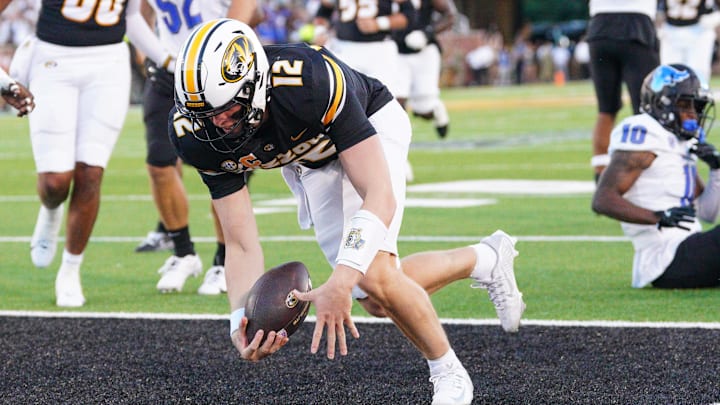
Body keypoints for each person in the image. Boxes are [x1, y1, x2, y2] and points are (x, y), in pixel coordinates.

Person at [170, 19, 525, 404]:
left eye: (227, 110)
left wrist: (341, 279)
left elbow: (379, 194)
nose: (217, 124)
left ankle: (449, 373)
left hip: (369, 126)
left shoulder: (307, 83)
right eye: (205, 114)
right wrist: (240, 321)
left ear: (255, 85)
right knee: (375, 298)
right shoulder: (196, 136)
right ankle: (486, 258)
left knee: (370, 275)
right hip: (310, 161)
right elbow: (239, 243)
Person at [1, 0, 176, 307]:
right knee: (55, 183)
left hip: (108, 65)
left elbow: (131, 16)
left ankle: (71, 269)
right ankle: (52, 209)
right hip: (52, 61)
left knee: (91, 173)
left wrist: (168, 61)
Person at [134, 0, 260, 295]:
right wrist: (147, 53)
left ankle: (222, 260)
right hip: (167, 74)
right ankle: (183, 253)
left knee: (225, 167)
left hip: (217, 75)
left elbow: (239, 19)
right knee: (158, 164)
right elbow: (140, 12)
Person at [592, 64, 720, 289]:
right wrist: (658, 216)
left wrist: (717, 169)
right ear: (661, 103)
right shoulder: (646, 132)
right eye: (684, 104)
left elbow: (708, 213)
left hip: (688, 246)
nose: (692, 113)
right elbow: (602, 199)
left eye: (696, 105)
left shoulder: (679, 143)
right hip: (665, 257)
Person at [587, 0, 660, 181]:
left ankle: (601, 174)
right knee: (646, 111)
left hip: (600, 25)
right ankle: (647, 176)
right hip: (637, 22)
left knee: (606, 110)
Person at [392, 0, 456, 139]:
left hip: (424, 51)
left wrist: (427, 33)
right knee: (394, 101)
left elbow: (450, 15)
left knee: (424, 109)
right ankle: (399, 142)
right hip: (396, 51)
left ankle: (435, 109)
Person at [658, 0, 720, 85]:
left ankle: (700, 95)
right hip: (670, 31)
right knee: (670, 71)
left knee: (699, 72)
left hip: (699, 31)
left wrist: (714, 17)